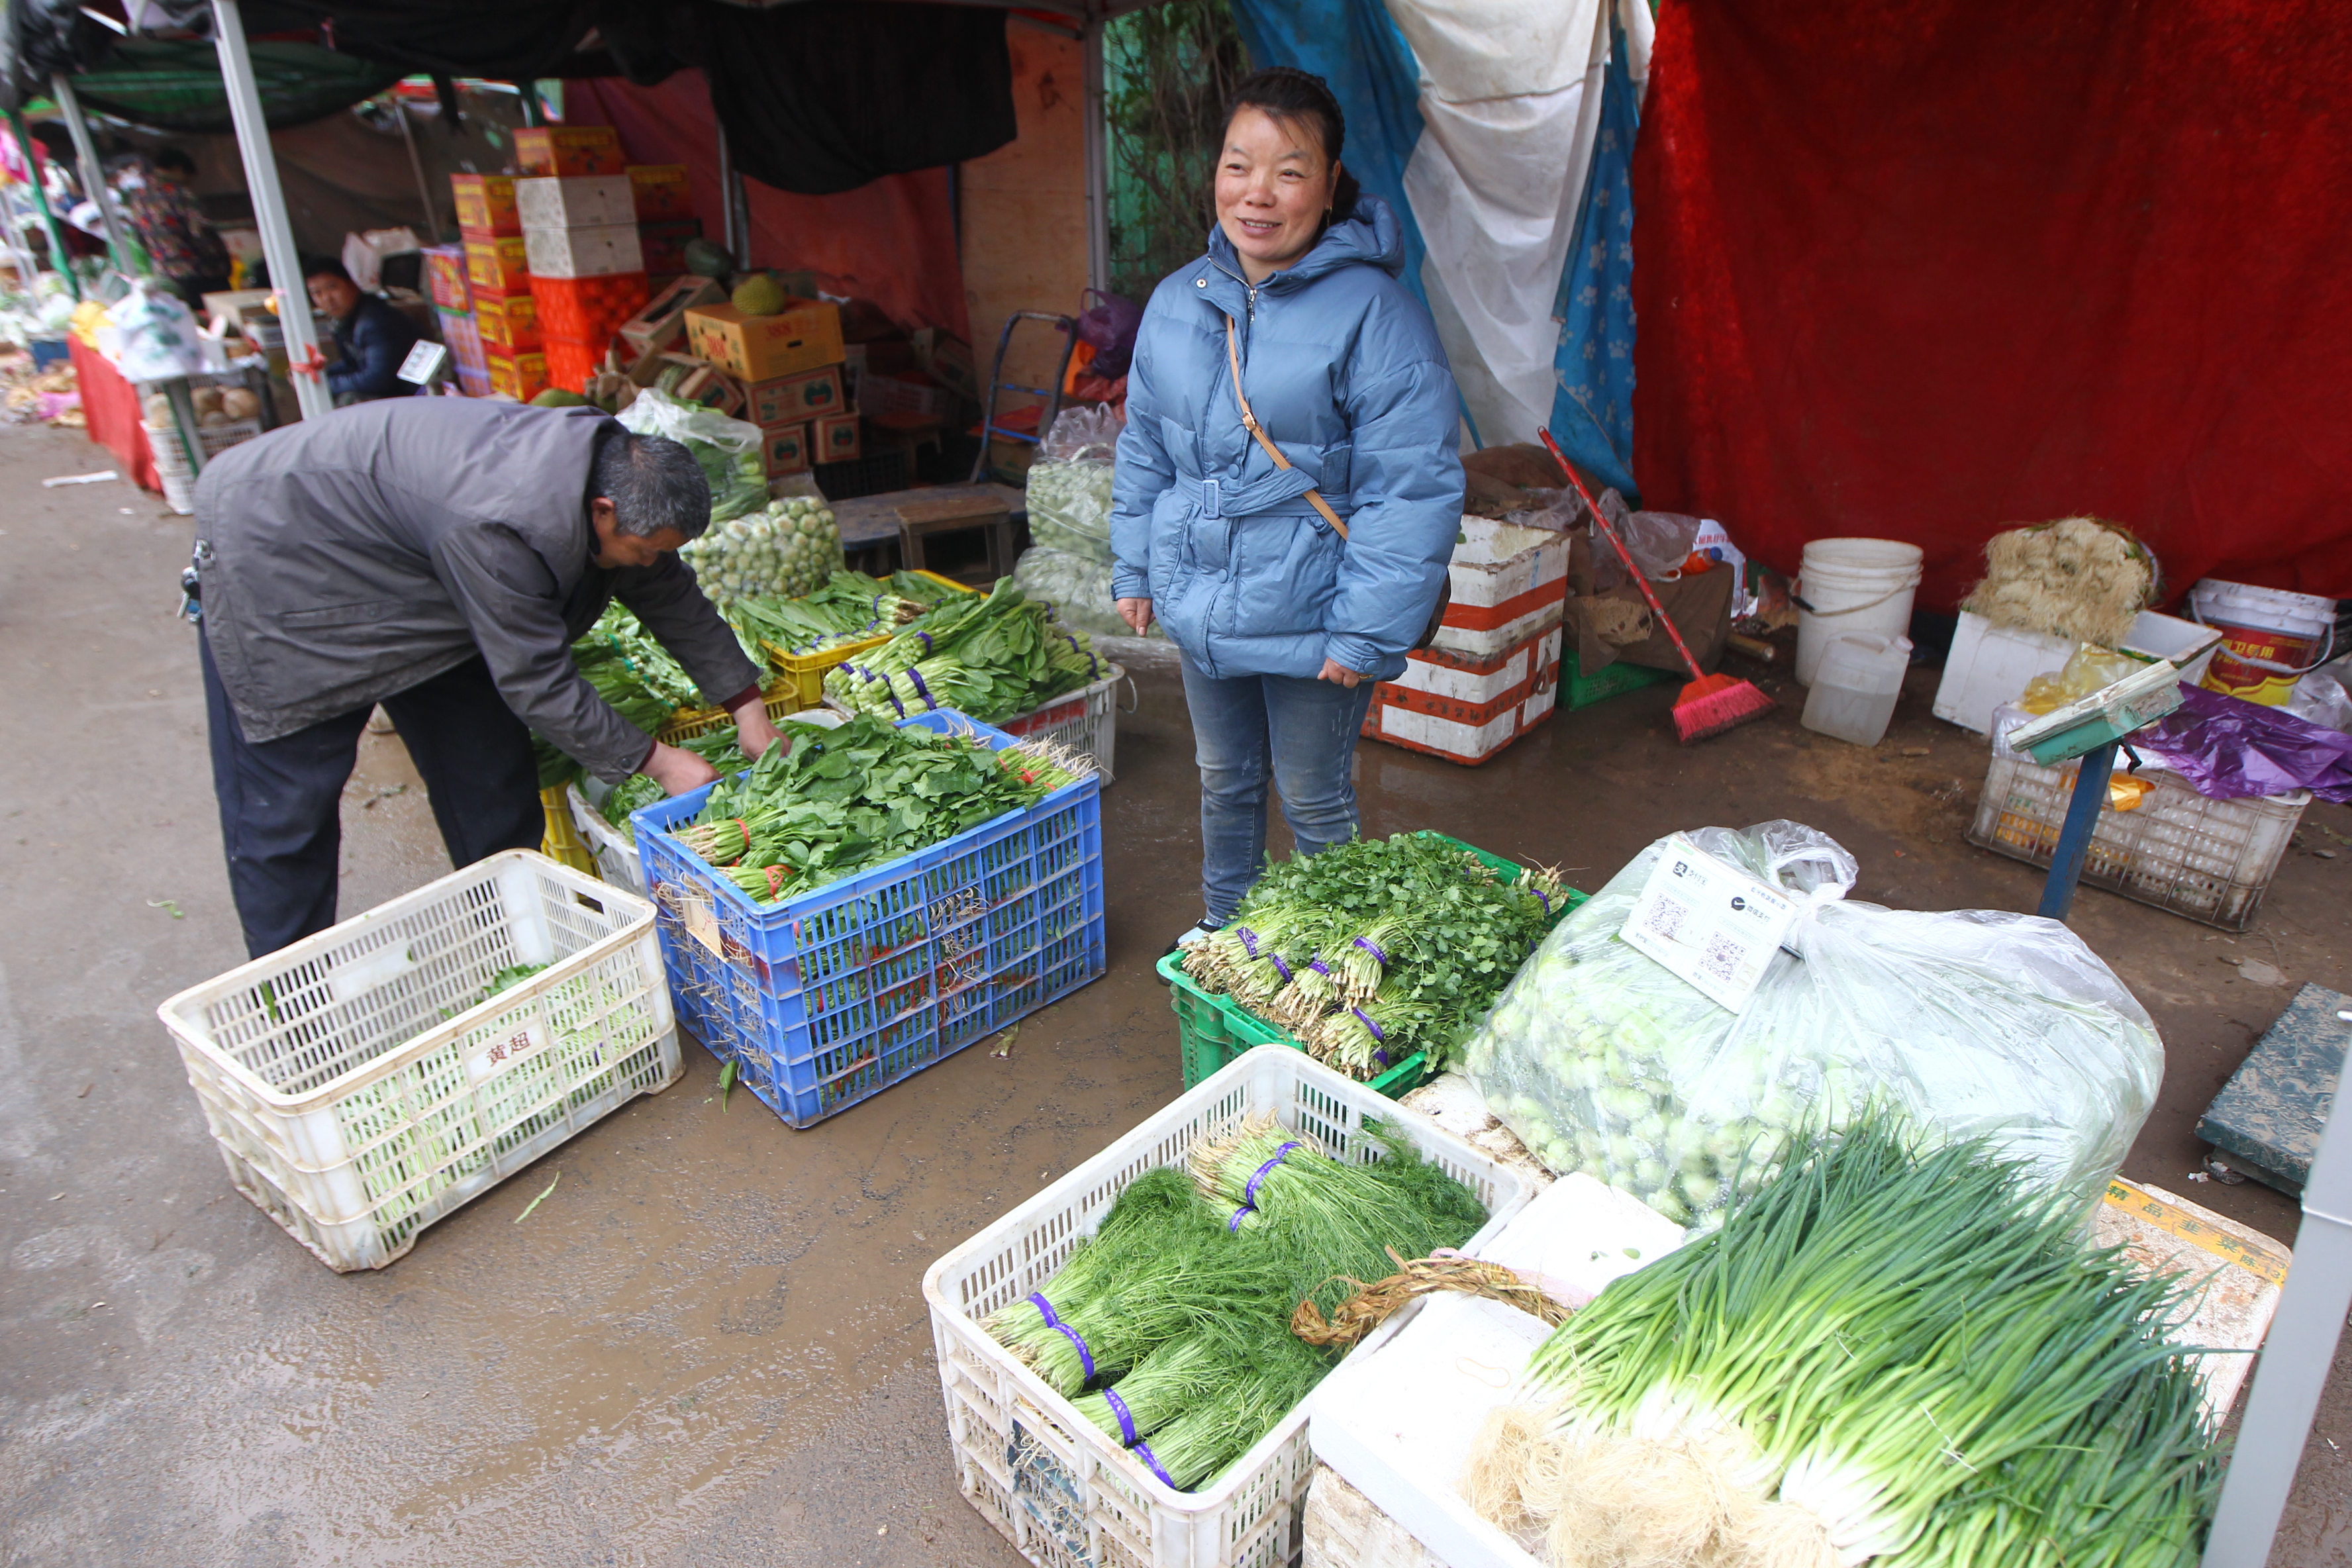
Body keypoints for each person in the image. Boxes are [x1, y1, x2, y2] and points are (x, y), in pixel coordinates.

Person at [191, 397, 780, 958]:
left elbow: (668, 592)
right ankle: (286, 1007)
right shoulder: (503, 524)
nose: (650, 560)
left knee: (489, 774)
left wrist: (747, 707)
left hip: (417, 572)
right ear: (603, 510)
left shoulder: (614, 480)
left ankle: (512, 949)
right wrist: (659, 762)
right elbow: (536, 679)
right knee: (287, 807)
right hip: (280, 562)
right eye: (644, 549)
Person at [1108, 67, 1463, 947]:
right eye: (1239, 166)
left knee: (1313, 794)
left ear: (1332, 182)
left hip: (1315, 613)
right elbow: (1146, 447)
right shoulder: (1176, 303)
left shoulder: (1378, 317)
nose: (1257, 194)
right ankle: (1227, 929)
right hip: (1201, 597)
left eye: (1289, 170)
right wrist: (1135, 566)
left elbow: (1408, 486)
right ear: (1216, 175)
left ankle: (1332, 959)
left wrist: (1366, 632)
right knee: (1224, 777)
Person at [115, 147, 230, 310]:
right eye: (188, 178)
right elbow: (202, 232)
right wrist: (223, 262)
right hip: (202, 274)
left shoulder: (139, 197)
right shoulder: (180, 194)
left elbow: (139, 237)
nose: (189, 184)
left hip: (167, 276)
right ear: (178, 169)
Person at [302, 254, 423, 404]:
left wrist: (323, 384)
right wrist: (315, 375)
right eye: (317, 293)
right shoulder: (344, 320)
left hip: (411, 395)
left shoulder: (374, 322)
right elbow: (352, 363)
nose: (327, 299)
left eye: (332, 287)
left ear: (352, 285)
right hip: (391, 391)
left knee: (346, 400)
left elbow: (377, 379)